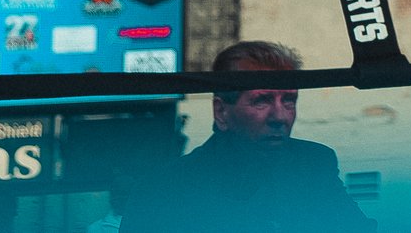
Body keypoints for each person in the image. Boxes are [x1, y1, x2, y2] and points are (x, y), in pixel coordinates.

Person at [119, 41, 371, 233]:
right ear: (221, 111)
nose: (280, 116)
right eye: (261, 101)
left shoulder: (313, 164)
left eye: (289, 101)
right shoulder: (165, 190)